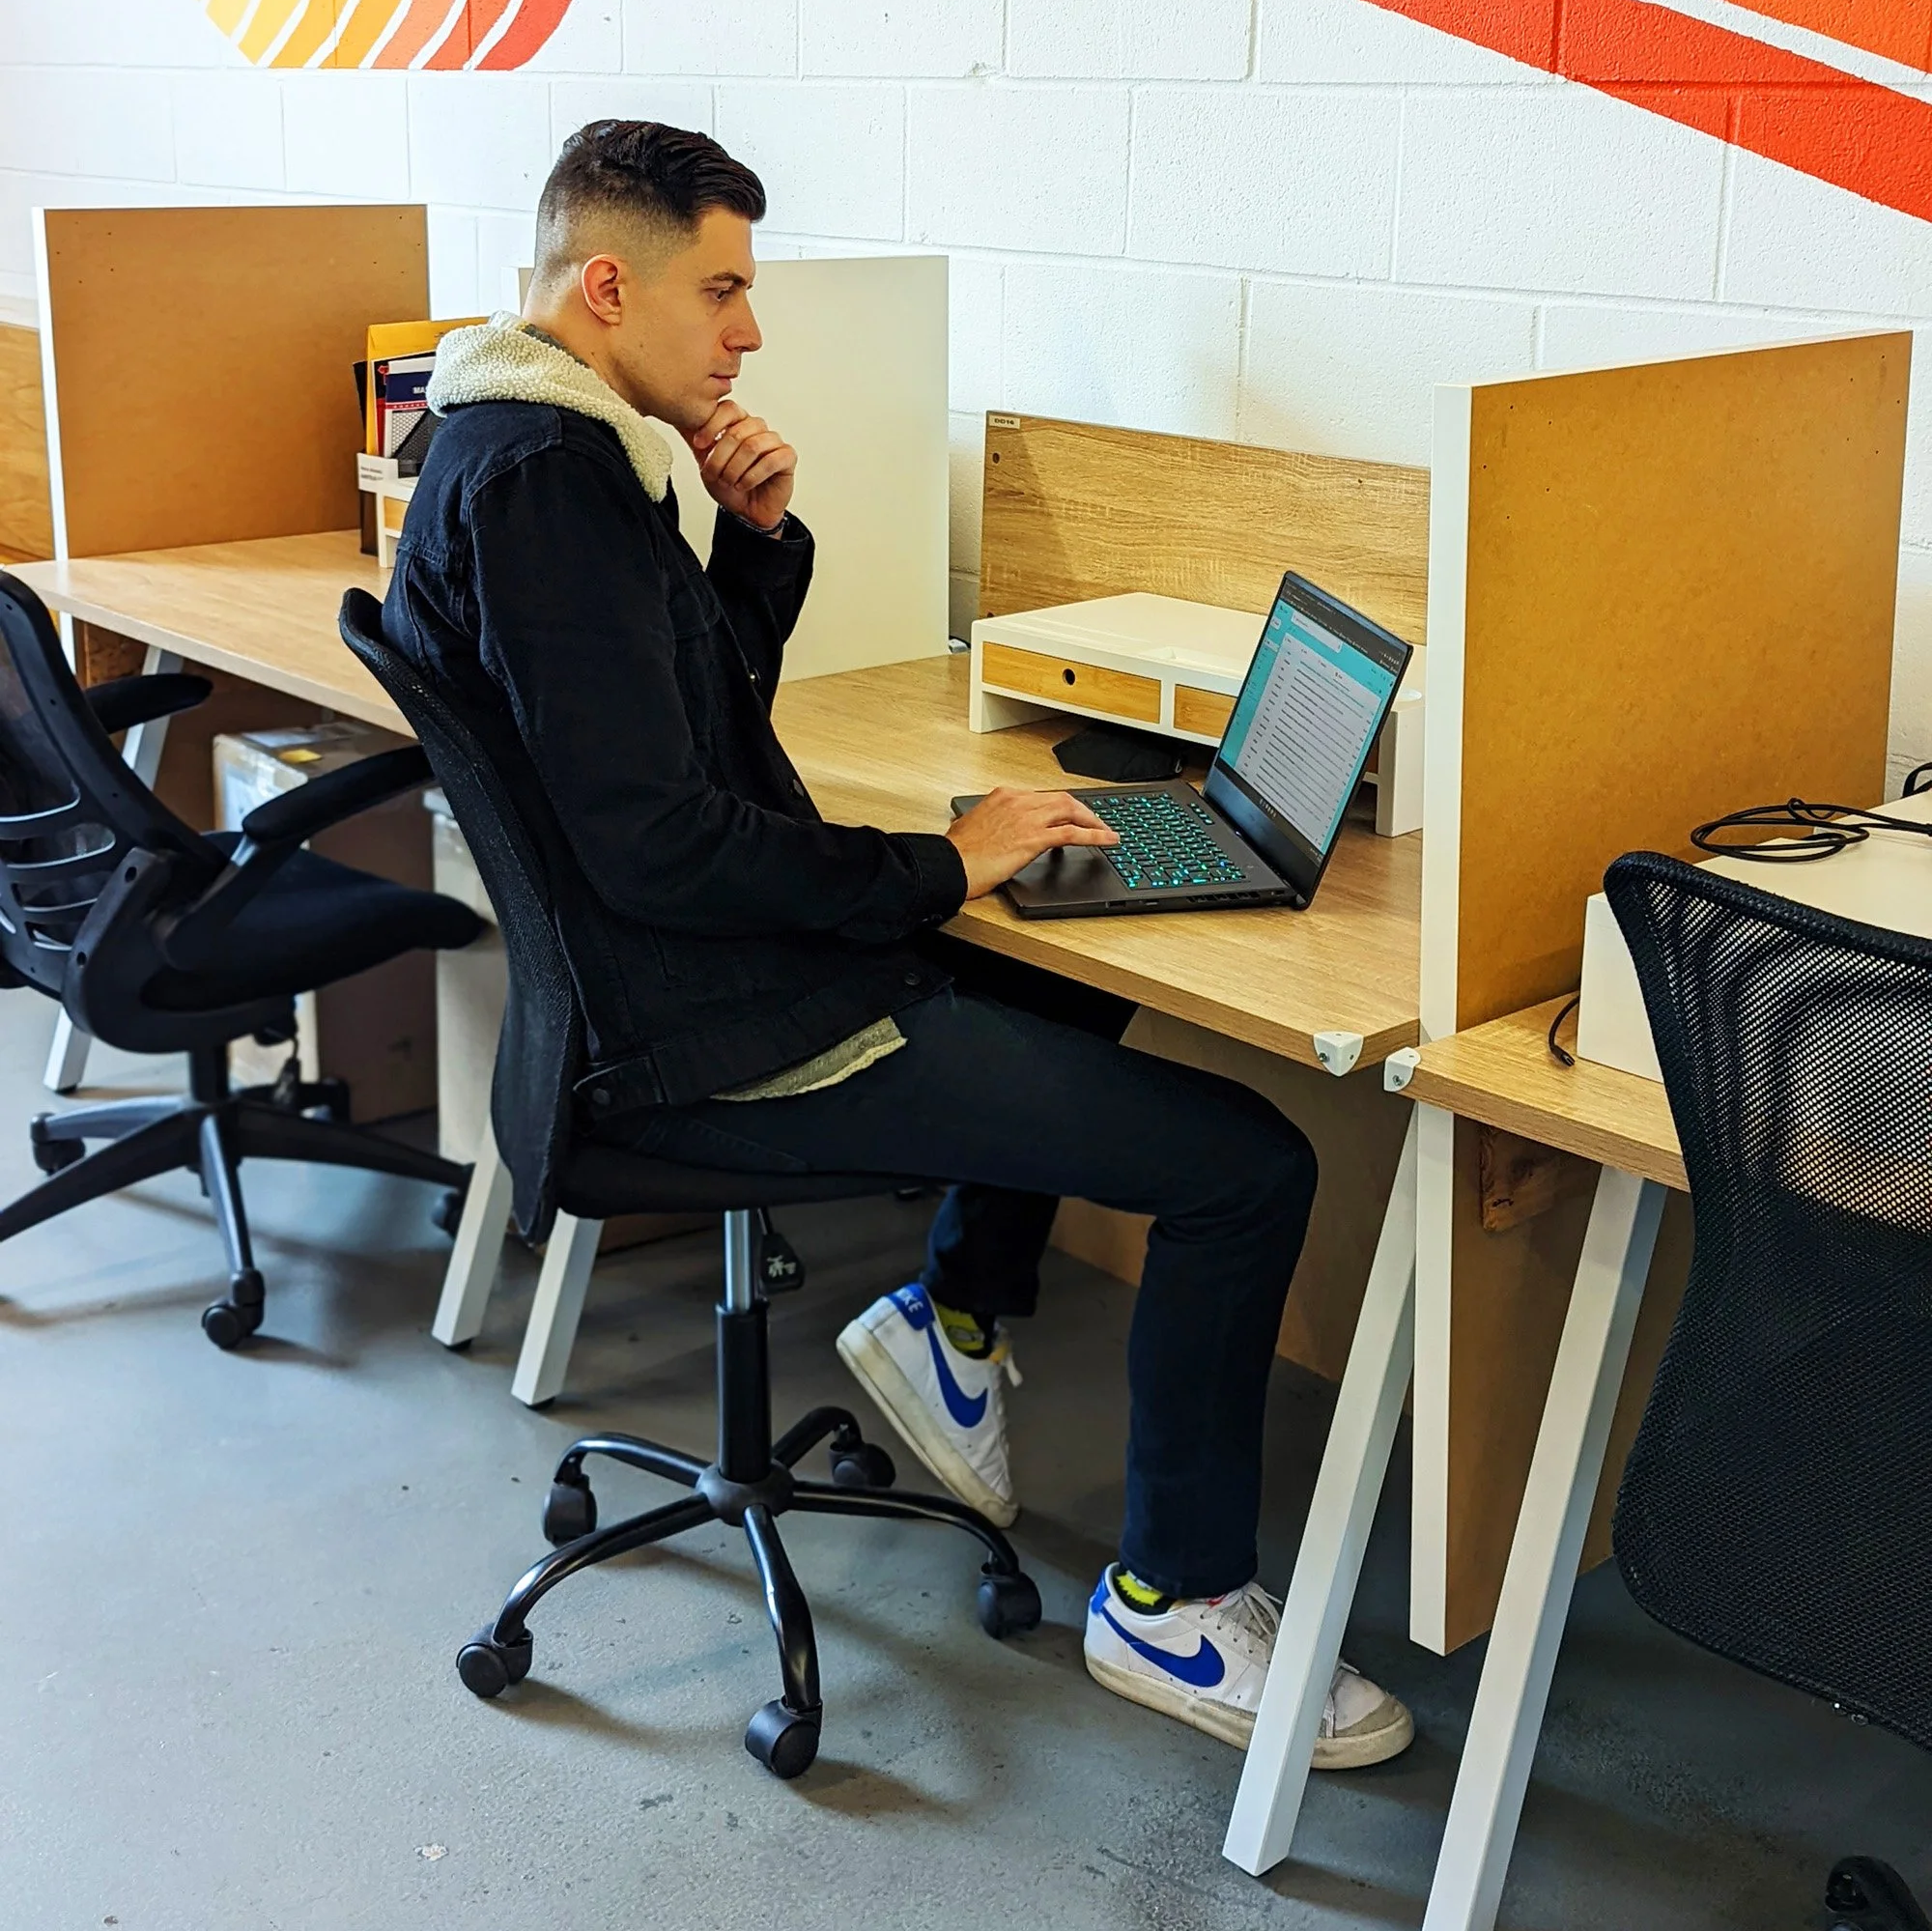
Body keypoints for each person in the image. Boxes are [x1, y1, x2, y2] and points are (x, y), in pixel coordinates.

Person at [384, 118, 1411, 1768]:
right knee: (1248, 1167)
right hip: (706, 1041)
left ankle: (947, 1323)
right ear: (605, 283)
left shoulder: (540, 444)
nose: (748, 331)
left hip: (671, 992)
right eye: (720, 291)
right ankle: (1176, 1606)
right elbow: (665, 842)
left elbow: (670, 739)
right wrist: (939, 859)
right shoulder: (545, 487)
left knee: (1030, 952)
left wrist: (755, 543)